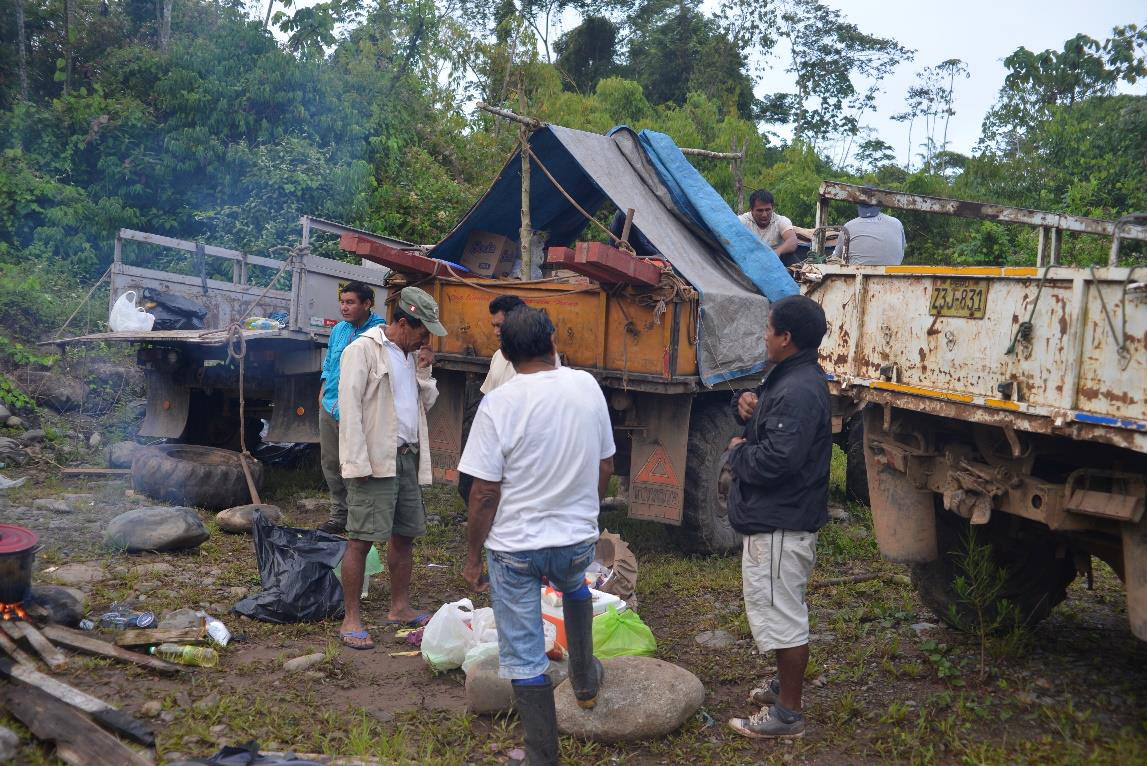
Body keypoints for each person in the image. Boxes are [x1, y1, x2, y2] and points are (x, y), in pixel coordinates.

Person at [459, 307, 615, 765]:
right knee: (574, 584)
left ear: (505, 354)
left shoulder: (497, 404)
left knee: (526, 656)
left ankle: (542, 756)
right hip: (575, 544)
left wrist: (473, 556)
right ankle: (584, 680)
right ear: (552, 341)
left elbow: (484, 493)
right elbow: (606, 464)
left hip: (514, 551)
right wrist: (586, 514)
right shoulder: (586, 386)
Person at [724, 295, 831, 739]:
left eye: (768, 329)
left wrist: (737, 452)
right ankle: (781, 687)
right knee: (779, 607)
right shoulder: (788, 376)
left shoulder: (798, 388)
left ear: (785, 337)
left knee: (782, 615)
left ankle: (788, 714)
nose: (763, 336)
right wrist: (746, 403)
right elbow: (770, 424)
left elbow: (778, 460)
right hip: (780, 519)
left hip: (781, 523)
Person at [335, 286, 447, 650]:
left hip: (406, 457)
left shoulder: (408, 355)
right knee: (360, 539)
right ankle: (351, 619)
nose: (425, 340)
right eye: (422, 332)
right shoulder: (362, 350)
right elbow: (349, 410)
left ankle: (399, 607)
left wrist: (425, 372)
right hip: (374, 460)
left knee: (404, 535)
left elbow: (421, 404)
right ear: (403, 323)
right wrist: (357, 463)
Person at [317, 281, 386, 536]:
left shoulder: (379, 332)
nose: (344, 308)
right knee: (330, 462)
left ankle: (360, 515)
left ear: (367, 304)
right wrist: (323, 388)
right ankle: (339, 515)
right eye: (342, 302)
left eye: (350, 302)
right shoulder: (339, 330)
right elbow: (329, 363)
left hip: (358, 409)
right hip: (330, 404)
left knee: (356, 462)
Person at [738, 189, 798, 262]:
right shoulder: (741, 221)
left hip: (776, 260)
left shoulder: (781, 221)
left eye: (768, 210)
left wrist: (777, 252)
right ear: (751, 210)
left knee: (790, 256)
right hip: (749, 260)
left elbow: (792, 240)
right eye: (760, 210)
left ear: (773, 208)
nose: (764, 215)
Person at [836, 203, 905, 265]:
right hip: (892, 274)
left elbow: (838, 256)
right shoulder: (896, 223)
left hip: (857, 274)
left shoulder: (848, 227)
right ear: (879, 205)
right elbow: (901, 253)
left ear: (858, 206)